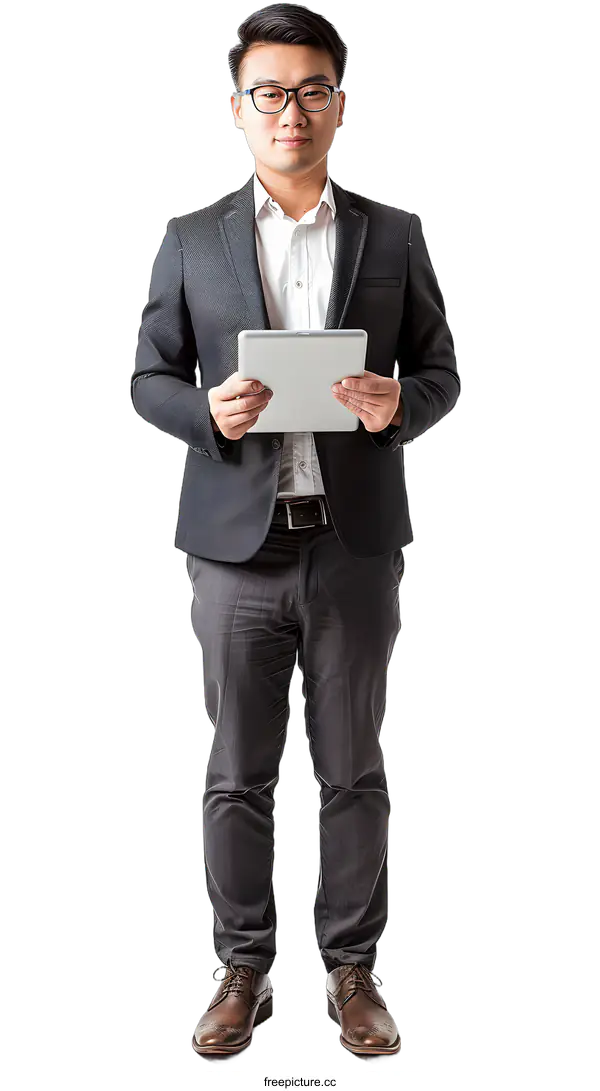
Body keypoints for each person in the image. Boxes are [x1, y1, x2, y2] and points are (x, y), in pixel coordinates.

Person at [130, 4, 460, 1060]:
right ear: (237, 110)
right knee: (236, 767)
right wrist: (205, 411)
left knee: (356, 767)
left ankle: (354, 975)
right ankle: (242, 970)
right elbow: (149, 376)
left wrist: (395, 405)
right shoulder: (189, 238)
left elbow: (442, 370)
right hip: (236, 544)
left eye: (313, 90)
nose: (291, 110)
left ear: (341, 106)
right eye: (269, 92)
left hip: (353, 544)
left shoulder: (393, 234)